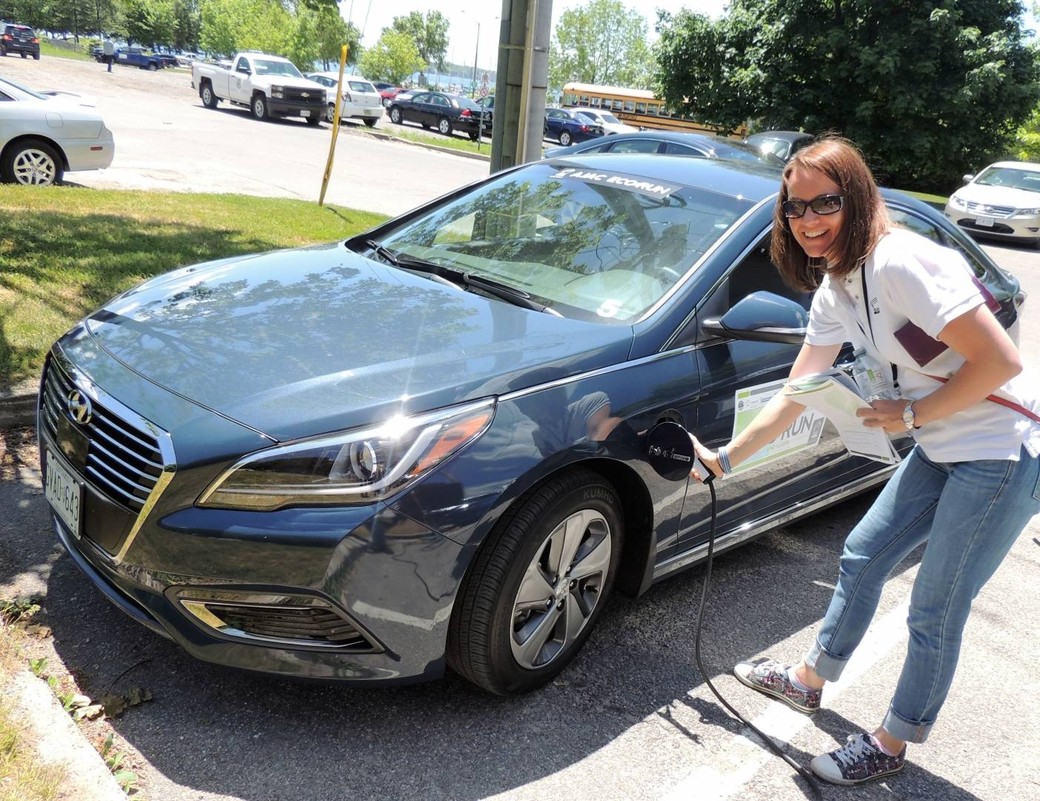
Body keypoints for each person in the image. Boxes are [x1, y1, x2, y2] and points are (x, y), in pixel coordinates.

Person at [691, 135, 1040, 786]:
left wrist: (910, 415)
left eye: (824, 202)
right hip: (942, 444)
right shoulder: (838, 287)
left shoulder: (903, 262)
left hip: (1000, 450)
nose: (807, 220)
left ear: (857, 199)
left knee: (935, 607)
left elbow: (1000, 361)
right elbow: (799, 391)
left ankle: (892, 741)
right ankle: (808, 680)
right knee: (864, 553)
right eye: (795, 207)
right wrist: (726, 459)